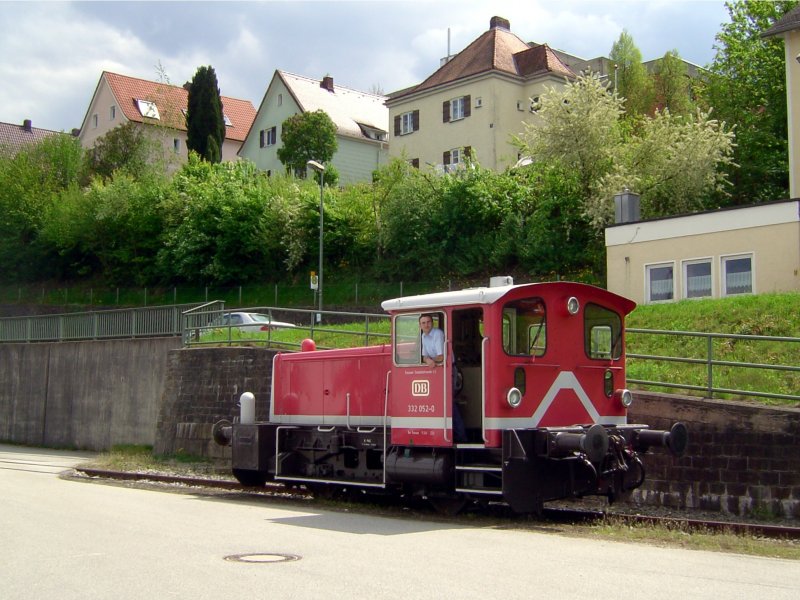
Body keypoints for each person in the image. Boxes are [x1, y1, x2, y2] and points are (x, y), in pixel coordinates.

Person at [419, 313, 467, 442]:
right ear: (420, 325)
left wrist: (429, 359)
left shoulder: (438, 334)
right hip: (440, 372)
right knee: (444, 403)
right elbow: (424, 356)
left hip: (449, 370)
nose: (426, 325)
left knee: (448, 404)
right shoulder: (424, 336)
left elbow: (441, 357)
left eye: (428, 322)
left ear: (432, 323)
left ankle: (461, 437)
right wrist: (427, 359)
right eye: (423, 323)